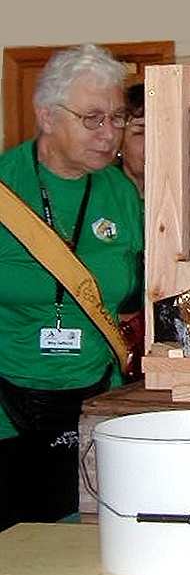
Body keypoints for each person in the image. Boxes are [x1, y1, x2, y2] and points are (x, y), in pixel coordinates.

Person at [0, 44, 143, 531]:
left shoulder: (120, 192)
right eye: (93, 118)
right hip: (5, 411)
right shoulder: (4, 185)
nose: (110, 134)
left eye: (118, 118)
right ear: (46, 115)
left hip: (97, 404)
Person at [120, 84, 190, 257]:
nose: (153, 143)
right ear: (118, 140)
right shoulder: (102, 196)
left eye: (163, 131)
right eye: (140, 132)